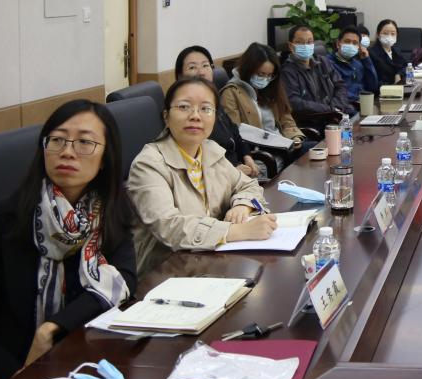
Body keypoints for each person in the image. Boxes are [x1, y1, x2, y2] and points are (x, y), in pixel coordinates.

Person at [0, 100, 136, 379]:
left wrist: (53, 327)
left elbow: (123, 278)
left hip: (72, 362)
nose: (67, 151)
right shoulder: (3, 220)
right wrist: (20, 377)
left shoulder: (109, 213)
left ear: (105, 158)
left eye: (85, 142)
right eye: (57, 140)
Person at [127, 78, 275, 274]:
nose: (195, 116)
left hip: (212, 261)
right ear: (166, 116)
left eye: (205, 108)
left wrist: (243, 205)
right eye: (184, 107)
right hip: (165, 272)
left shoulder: (210, 150)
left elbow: (248, 185)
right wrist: (235, 231)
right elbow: (169, 227)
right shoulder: (148, 164)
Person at [175, 45, 260, 178]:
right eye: (192, 67)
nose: (201, 72)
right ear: (180, 76)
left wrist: (247, 156)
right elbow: (197, 163)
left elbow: (235, 132)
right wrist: (232, 172)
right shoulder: (183, 113)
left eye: (205, 65)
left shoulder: (212, 100)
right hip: (219, 180)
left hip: (238, 173)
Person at [218, 42, 306, 164]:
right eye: (261, 74)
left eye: (269, 75)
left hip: (283, 147)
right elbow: (237, 134)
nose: (265, 79)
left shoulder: (271, 86)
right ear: (248, 69)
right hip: (262, 154)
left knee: (317, 153)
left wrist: (295, 137)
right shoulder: (231, 93)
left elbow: (286, 119)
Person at [279, 25, 356, 125]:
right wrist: (328, 109)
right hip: (314, 122)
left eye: (309, 42)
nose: (305, 45)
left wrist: (335, 107)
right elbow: (295, 103)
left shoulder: (323, 62)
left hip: (335, 116)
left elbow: (340, 85)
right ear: (290, 46)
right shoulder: (288, 72)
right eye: (300, 42)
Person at [328, 27, 379, 99]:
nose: (351, 45)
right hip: (343, 103)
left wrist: (366, 60)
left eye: (355, 43)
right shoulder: (328, 64)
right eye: (347, 41)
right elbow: (336, 92)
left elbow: (372, 87)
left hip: (360, 102)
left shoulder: (357, 65)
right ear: (338, 43)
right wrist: (359, 97)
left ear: (359, 47)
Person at [369, 19, 408, 85]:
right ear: (378, 34)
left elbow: (404, 66)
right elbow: (374, 79)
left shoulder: (396, 50)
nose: (389, 36)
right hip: (383, 89)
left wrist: (398, 74)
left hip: (399, 87)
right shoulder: (372, 53)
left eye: (393, 34)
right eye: (385, 33)